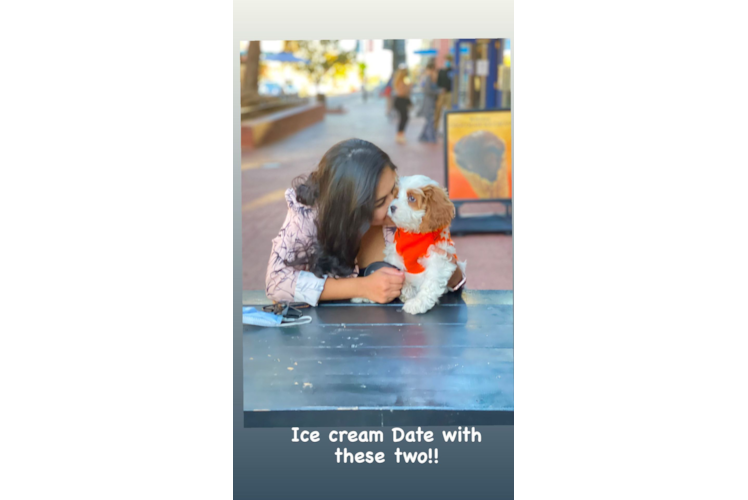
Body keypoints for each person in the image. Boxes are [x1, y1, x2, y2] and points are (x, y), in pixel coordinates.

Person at [265, 139, 466, 306]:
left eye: (394, 190)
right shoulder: (308, 215)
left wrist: (452, 274)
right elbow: (276, 283)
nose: (393, 204)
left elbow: (452, 282)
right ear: (350, 210)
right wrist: (363, 287)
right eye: (380, 202)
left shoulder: (410, 214)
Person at [418, 59, 440, 143]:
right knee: (430, 121)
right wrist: (437, 91)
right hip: (428, 103)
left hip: (430, 102)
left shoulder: (430, 78)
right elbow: (427, 90)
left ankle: (423, 136)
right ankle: (431, 138)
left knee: (429, 121)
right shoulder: (428, 78)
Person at [435, 55, 454, 134]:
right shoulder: (441, 71)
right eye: (446, 60)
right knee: (438, 111)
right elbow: (438, 83)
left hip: (449, 93)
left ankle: (450, 128)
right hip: (442, 94)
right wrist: (440, 90)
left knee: (449, 111)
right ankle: (435, 128)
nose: (447, 62)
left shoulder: (452, 71)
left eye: (449, 61)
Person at [393, 68, 412, 144]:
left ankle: (400, 134)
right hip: (400, 101)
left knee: (404, 118)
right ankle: (399, 135)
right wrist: (408, 87)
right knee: (404, 118)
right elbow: (402, 93)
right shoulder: (400, 82)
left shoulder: (402, 81)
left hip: (402, 101)